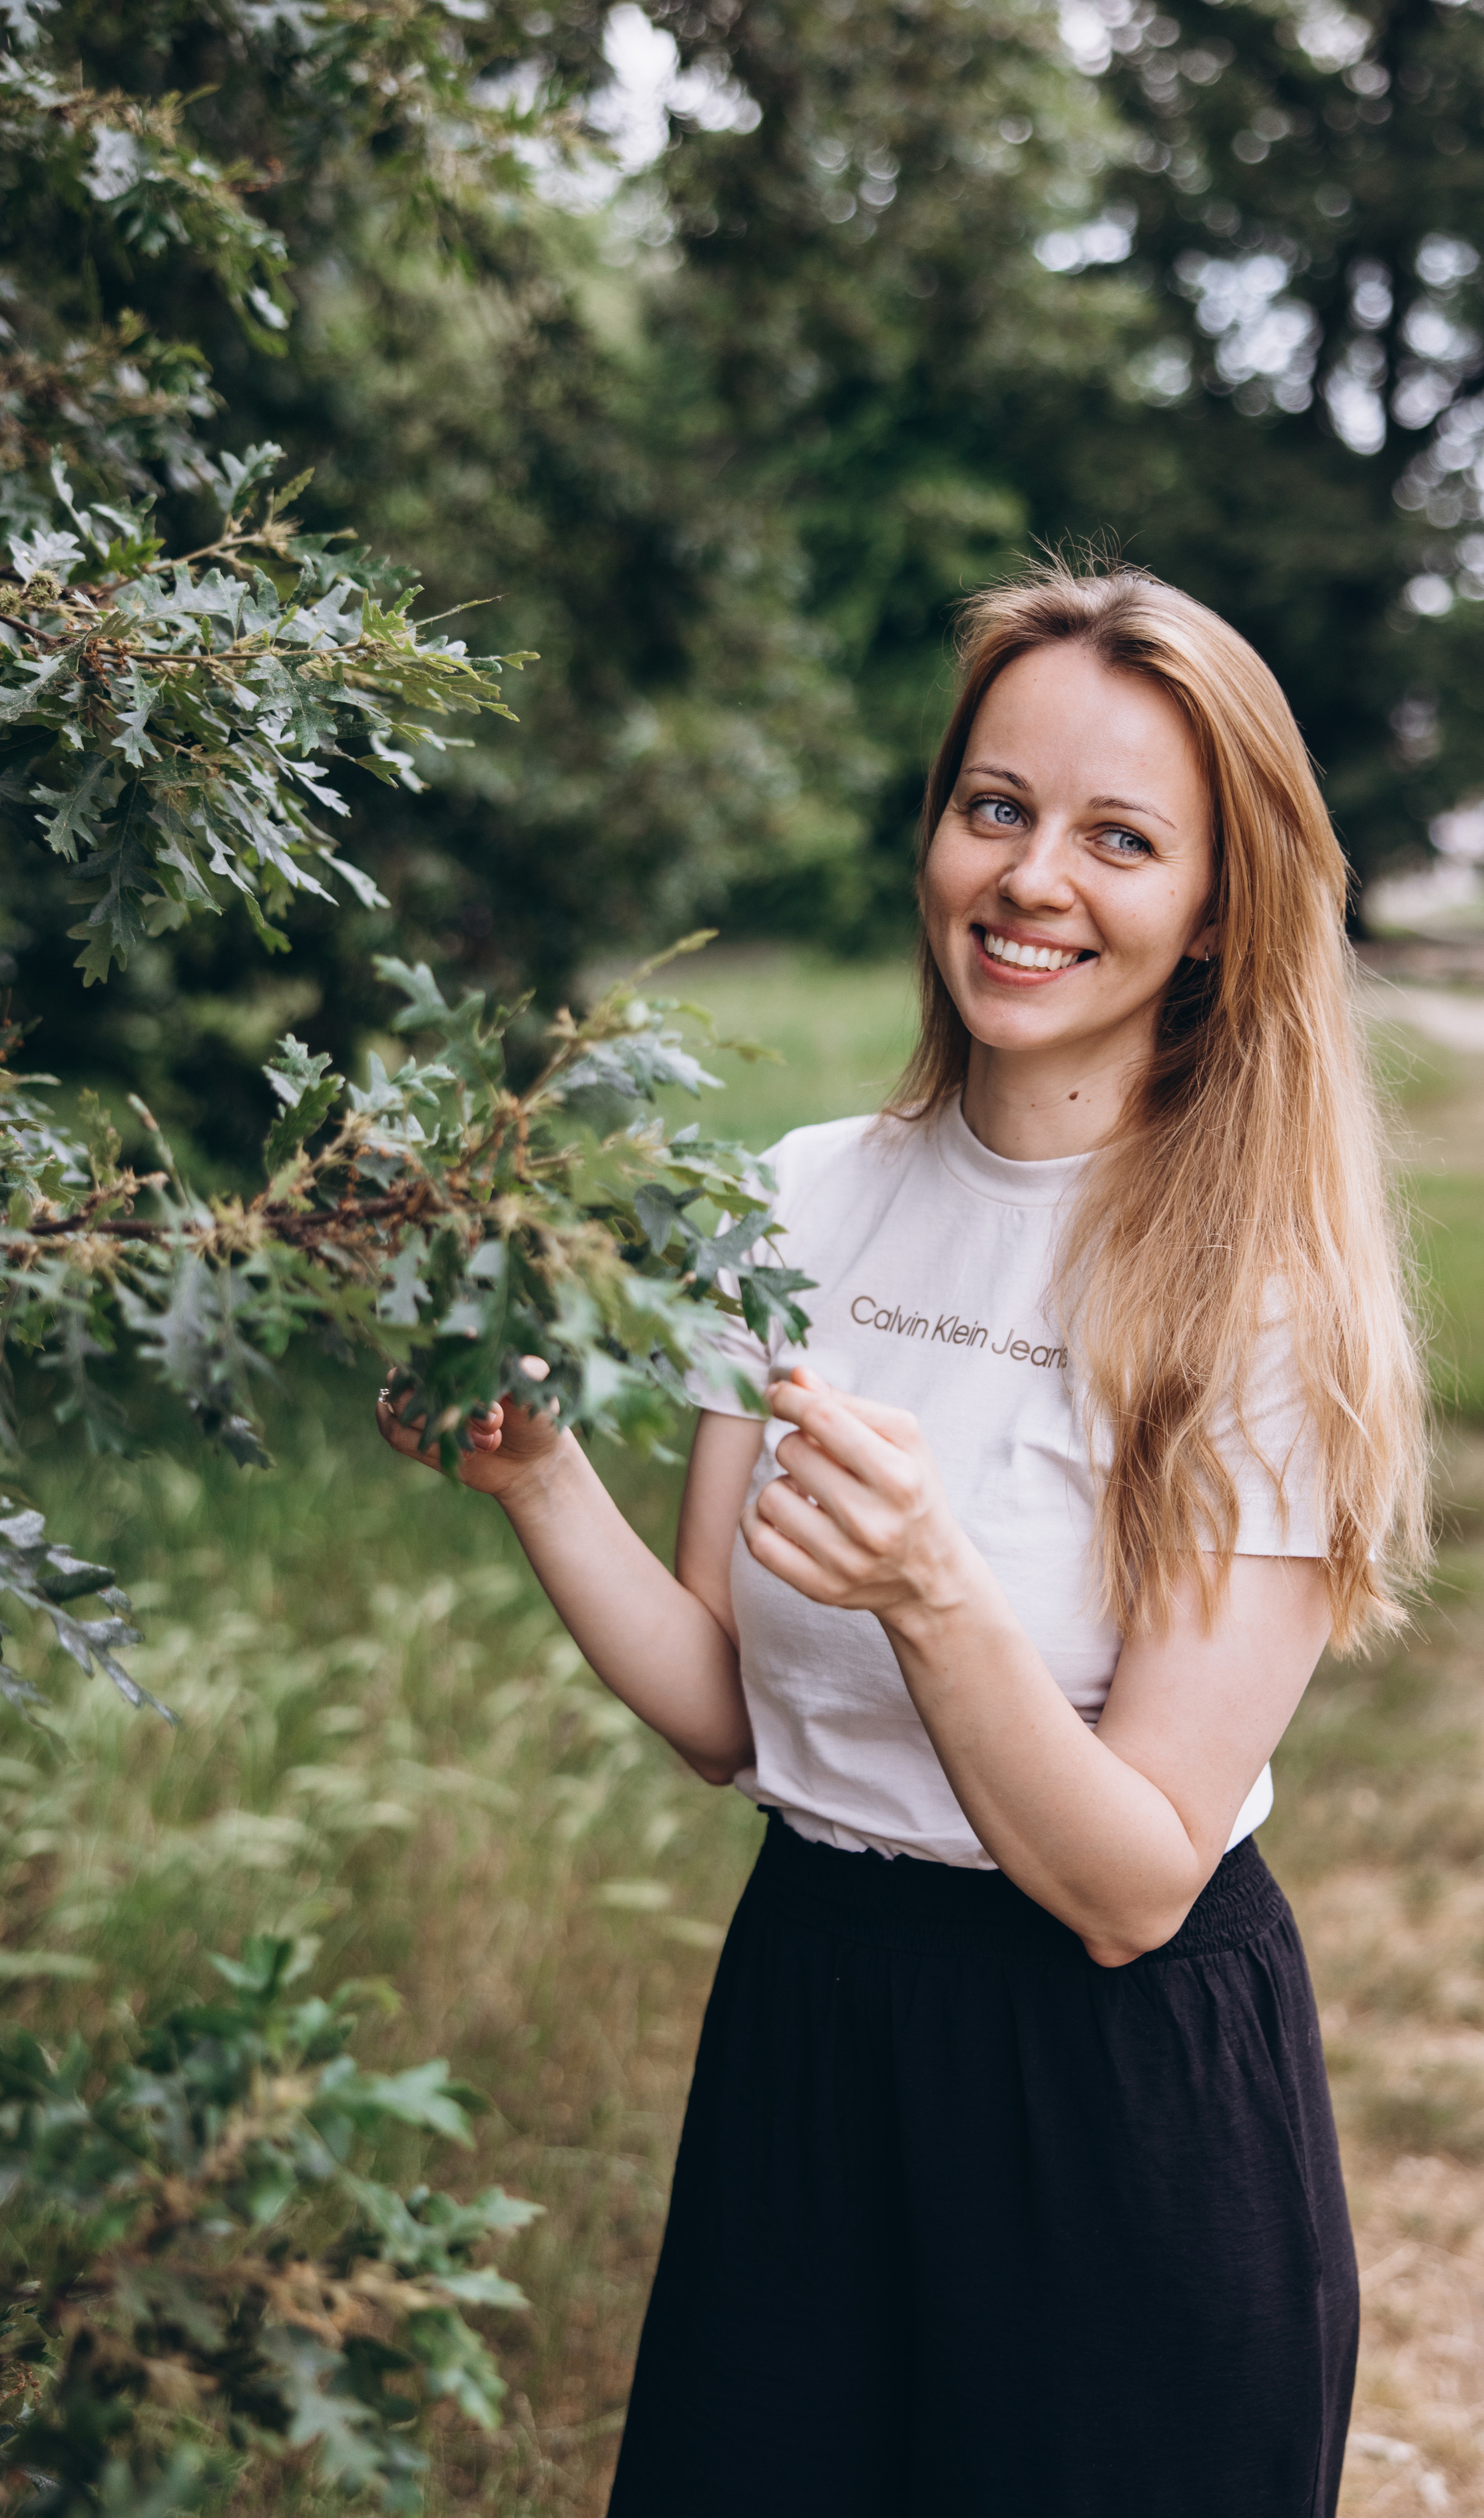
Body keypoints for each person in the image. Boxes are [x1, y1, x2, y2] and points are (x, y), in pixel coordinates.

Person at [376, 564, 1430, 2517]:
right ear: (937, 832)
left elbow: (1130, 1886)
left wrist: (938, 1596)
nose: (1035, 879)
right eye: (997, 807)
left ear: (1215, 916)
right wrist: (535, 1479)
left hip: (1109, 2092)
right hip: (814, 2014)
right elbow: (727, 1715)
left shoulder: (1262, 1300)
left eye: (1122, 840)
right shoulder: (799, 1201)